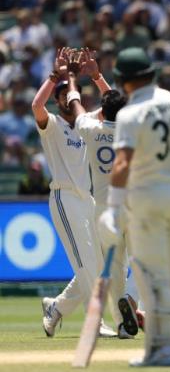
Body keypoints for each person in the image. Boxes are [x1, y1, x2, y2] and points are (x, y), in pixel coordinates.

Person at [97, 47, 170, 366]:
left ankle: (160, 348)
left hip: (149, 199)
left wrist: (113, 209)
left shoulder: (130, 113)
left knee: (150, 276)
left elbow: (122, 163)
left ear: (124, 80)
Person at [34, 47, 115, 338]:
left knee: (96, 264)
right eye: (64, 95)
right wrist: (56, 76)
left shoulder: (86, 122)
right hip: (64, 197)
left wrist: (97, 77)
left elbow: (116, 107)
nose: (69, 97)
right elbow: (36, 106)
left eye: (72, 94)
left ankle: (56, 308)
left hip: (88, 199)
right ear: (58, 100)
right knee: (86, 263)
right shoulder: (53, 125)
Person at [64, 49, 139, 339]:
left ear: (103, 112)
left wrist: (73, 78)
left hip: (104, 210)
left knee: (115, 267)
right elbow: (121, 107)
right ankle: (135, 305)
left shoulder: (91, 129)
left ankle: (122, 323)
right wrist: (98, 76)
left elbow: (76, 105)